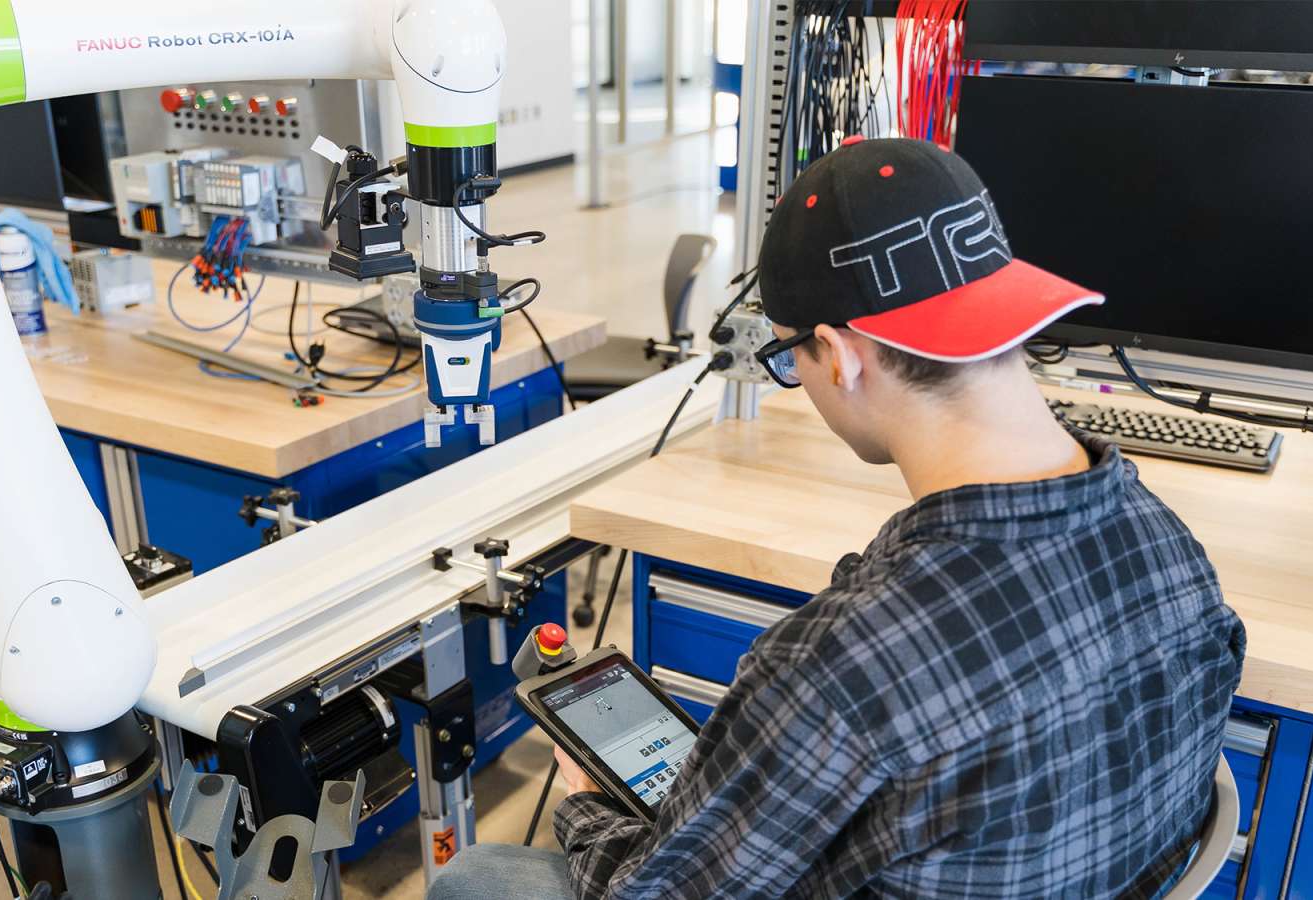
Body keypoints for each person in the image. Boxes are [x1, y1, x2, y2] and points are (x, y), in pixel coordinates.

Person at [428, 138, 1245, 899]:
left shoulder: (844, 668)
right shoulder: (1172, 548)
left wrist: (585, 808)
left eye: (788, 358)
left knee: (483, 875)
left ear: (843, 355)